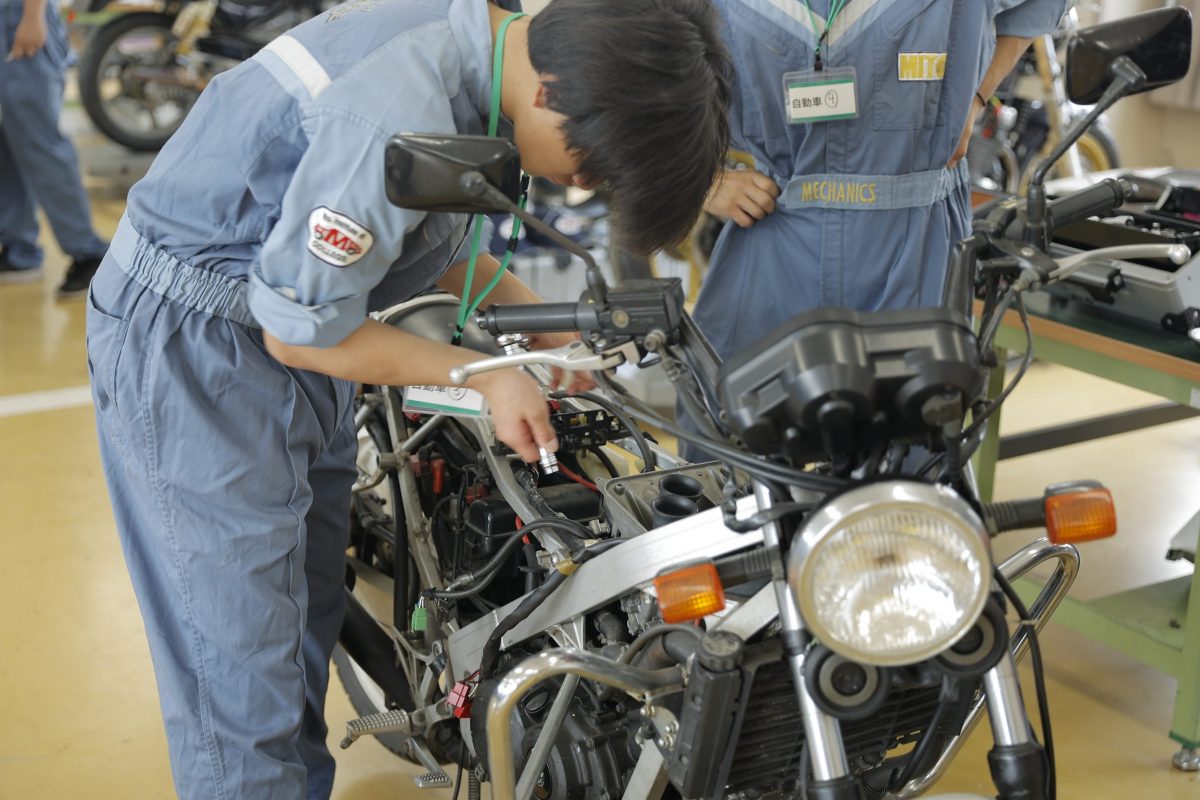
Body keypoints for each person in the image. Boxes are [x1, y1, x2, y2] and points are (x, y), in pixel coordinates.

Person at [84, 0, 730, 796]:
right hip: (202, 348)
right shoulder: (396, 112)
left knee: (296, 626)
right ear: (554, 93)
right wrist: (481, 372)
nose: (582, 183)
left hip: (288, 339)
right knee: (243, 679)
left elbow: (427, 240)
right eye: (589, 167)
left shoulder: (488, 54)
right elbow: (298, 332)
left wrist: (554, 332)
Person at [692, 0, 1074, 362]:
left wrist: (975, 97)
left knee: (911, 417)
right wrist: (703, 181)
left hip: (914, 246)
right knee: (742, 419)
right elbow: (640, 68)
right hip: (773, 248)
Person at [0, 0, 109, 295]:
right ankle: (19, 249)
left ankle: (89, 252)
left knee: (40, 141)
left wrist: (32, 17)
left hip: (19, 14)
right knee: (10, 140)